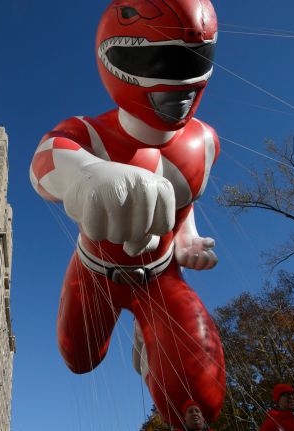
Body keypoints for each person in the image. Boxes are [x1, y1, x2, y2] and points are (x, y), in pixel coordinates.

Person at [29, 0, 225, 426]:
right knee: (79, 358)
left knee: (199, 396)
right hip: (97, 272)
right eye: (159, 58)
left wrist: (187, 238)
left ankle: (154, 335)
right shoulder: (88, 133)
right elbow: (47, 160)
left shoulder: (205, 142)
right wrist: (88, 175)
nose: (176, 80)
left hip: (162, 275)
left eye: (188, 58)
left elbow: (184, 203)